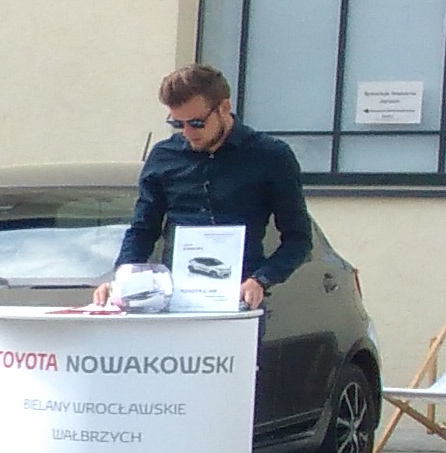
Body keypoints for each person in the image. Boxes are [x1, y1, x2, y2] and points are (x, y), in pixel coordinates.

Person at [102, 63, 316, 308]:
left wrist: (261, 279)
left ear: (224, 108)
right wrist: (122, 279)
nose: (188, 132)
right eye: (178, 124)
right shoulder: (163, 157)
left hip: (240, 299)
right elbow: (143, 230)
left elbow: (299, 238)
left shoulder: (270, 156)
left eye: (197, 123)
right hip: (175, 300)